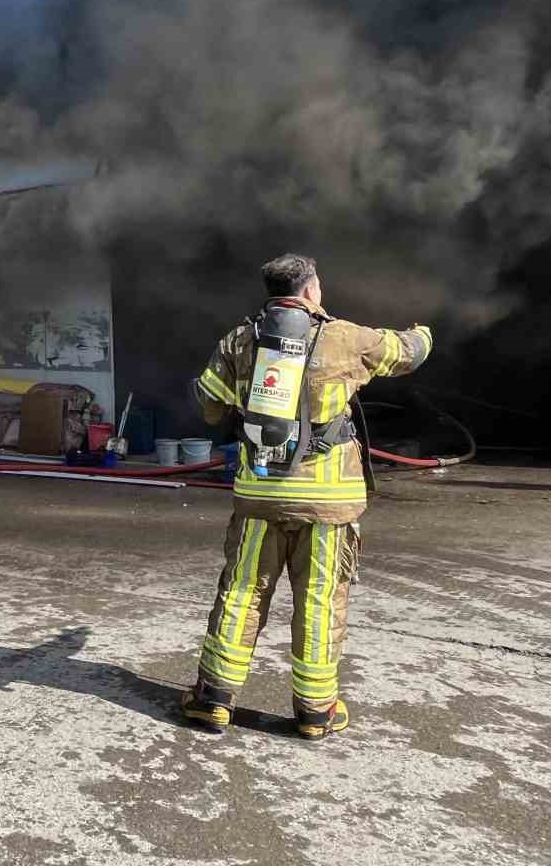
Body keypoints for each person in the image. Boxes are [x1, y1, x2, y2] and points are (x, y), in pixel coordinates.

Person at [182, 253, 431, 741]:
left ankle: (212, 700)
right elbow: (406, 352)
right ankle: (316, 711)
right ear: (312, 290)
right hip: (327, 503)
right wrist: (425, 331)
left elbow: (210, 409)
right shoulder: (345, 337)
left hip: (259, 497)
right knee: (318, 599)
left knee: (241, 592)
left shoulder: (239, 339)